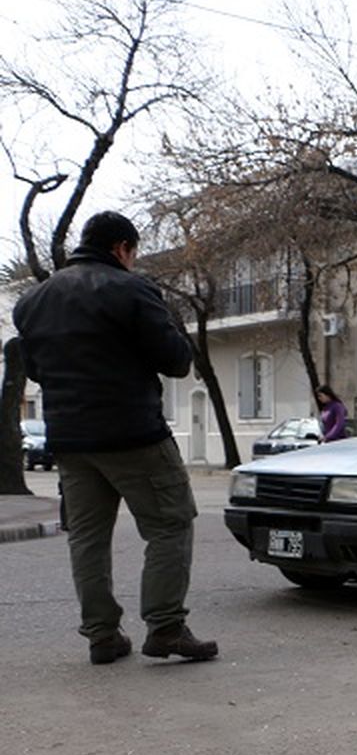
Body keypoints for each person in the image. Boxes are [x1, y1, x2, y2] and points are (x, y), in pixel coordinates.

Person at [13, 211, 218, 664]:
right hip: (133, 433)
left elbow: (35, 370)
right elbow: (175, 360)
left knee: (86, 536)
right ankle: (165, 627)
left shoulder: (32, 301)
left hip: (68, 440)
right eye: (133, 253)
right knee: (170, 523)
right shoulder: (131, 289)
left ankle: (102, 636)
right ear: (122, 248)